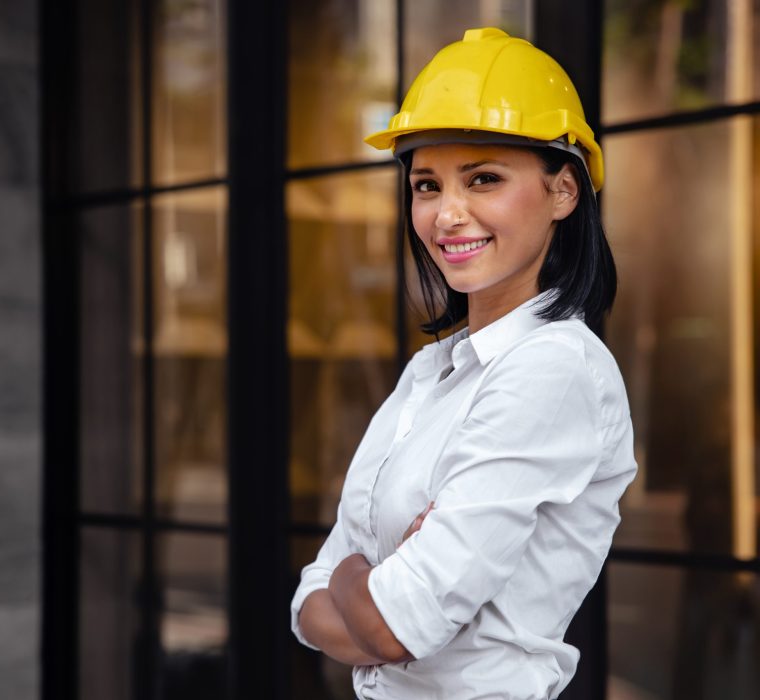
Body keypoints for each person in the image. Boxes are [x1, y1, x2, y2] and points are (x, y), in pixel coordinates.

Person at [290, 27, 637, 700]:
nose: (448, 214)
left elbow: (393, 627)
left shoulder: (554, 370)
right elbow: (306, 610)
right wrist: (362, 578)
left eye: (483, 179)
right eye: (426, 185)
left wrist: (352, 575)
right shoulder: (433, 373)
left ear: (564, 191)